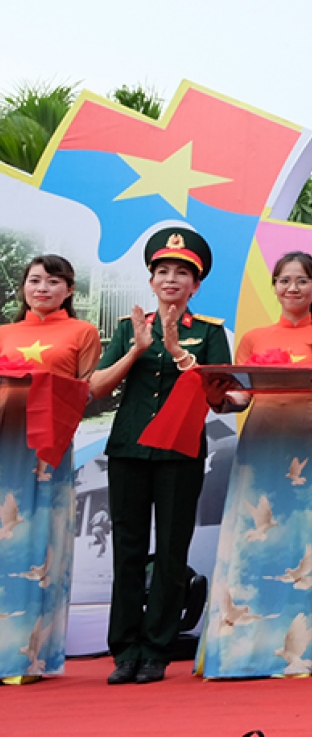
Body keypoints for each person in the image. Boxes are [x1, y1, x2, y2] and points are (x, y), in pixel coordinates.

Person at [198, 251, 312, 678]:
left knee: (299, 544)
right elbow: (240, 398)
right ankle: (237, 649)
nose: (292, 288)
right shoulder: (254, 337)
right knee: (251, 542)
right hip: (259, 447)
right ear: (275, 287)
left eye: (302, 281)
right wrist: (215, 395)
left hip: (307, 449)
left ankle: (296, 651)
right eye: (284, 280)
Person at [89, 228, 231, 685]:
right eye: (163, 271)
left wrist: (177, 354)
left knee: (172, 552)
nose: (171, 279)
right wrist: (138, 350)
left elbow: (220, 396)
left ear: (196, 284)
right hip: (130, 448)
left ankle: (157, 649)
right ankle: (125, 649)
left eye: (182, 273)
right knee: (127, 551)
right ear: (151, 280)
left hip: (181, 453)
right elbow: (97, 388)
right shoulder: (129, 328)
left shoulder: (209, 333)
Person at [0, 255, 101, 682]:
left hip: (47, 449)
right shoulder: (4, 332)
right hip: (4, 443)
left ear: (69, 290)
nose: (42, 288)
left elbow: (87, 392)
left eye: (53, 281)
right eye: (35, 280)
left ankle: (26, 657)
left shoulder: (82, 332)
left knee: (36, 547)